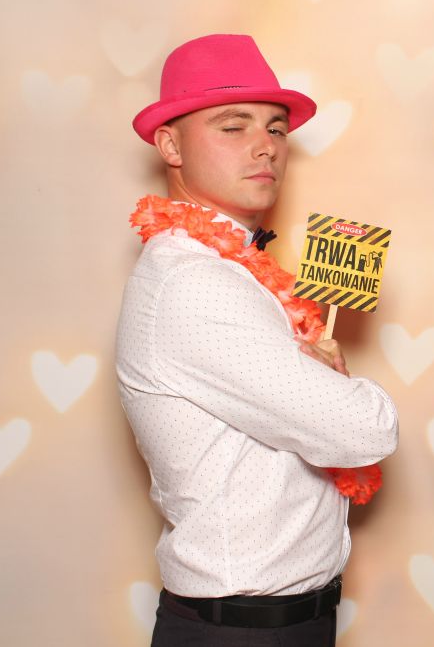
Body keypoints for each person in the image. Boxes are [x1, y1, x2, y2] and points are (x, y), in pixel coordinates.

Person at [115, 34, 399, 647]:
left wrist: (324, 383)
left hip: (285, 621)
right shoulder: (196, 283)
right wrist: (347, 393)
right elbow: (367, 433)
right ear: (170, 145)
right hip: (240, 631)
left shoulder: (238, 271)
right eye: (232, 126)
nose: (265, 145)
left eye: (276, 128)